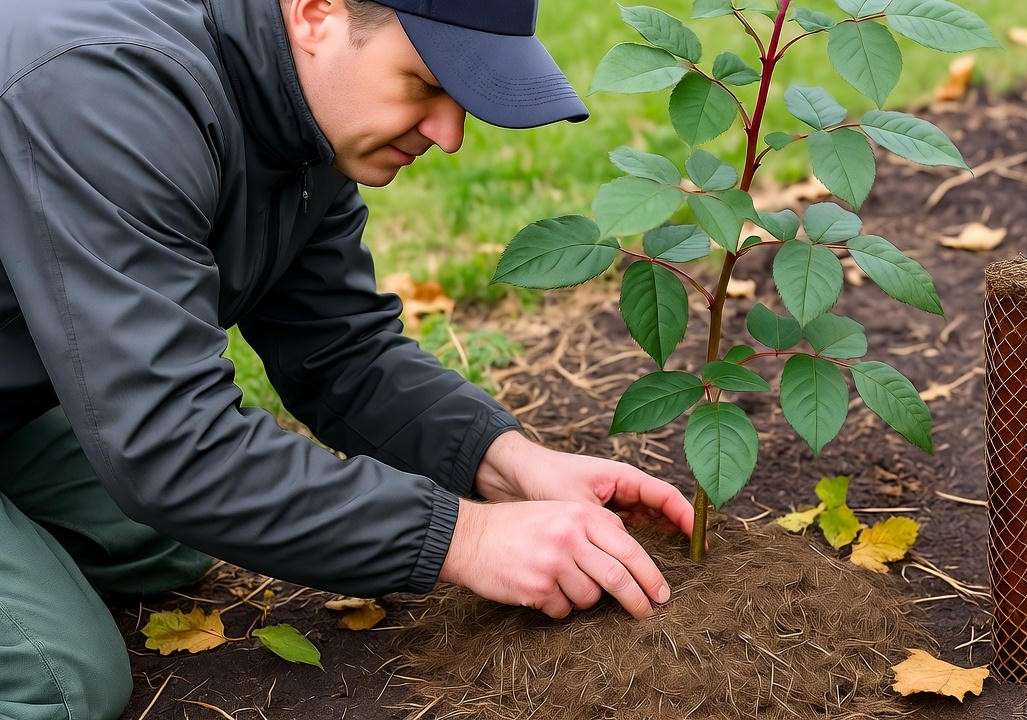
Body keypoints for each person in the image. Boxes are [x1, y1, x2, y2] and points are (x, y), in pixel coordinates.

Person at [0, 1, 695, 717]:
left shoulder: (299, 118)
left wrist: (507, 462)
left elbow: (341, 351)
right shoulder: (104, 92)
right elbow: (168, 448)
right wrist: (466, 537)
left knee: (155, 539)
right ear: (314, 13)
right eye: (424, 83)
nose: (449, 135)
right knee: (57, 682)